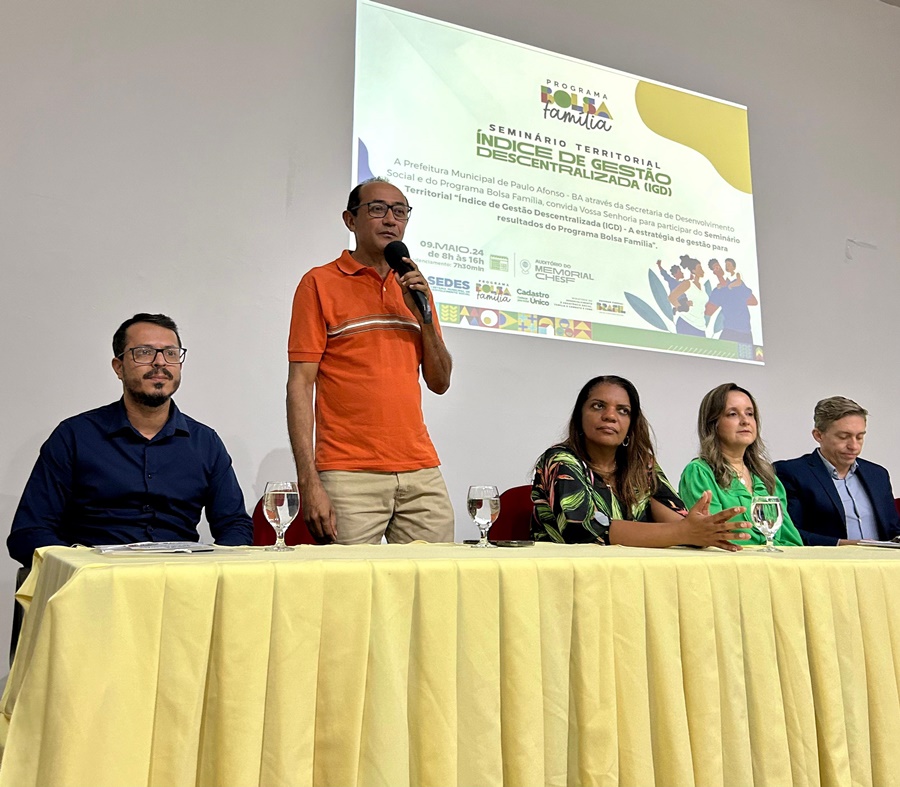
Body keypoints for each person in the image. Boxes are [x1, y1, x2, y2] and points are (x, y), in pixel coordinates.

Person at [8, 314, 252, 567]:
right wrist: (79, 568)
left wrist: (212, 569)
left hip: (180, 579)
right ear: (118, 367)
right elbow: (29, 533)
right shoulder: (74, 436)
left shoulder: (206, 442)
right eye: (144, 352)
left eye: (170, 353)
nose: (160, 362)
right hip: (96, 580)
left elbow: (236, 526)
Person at [287, 177, 454, 544]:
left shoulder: (413, 285)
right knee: (350, 582)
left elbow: (440, 382)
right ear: (350, 220)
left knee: (437, 579)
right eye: (377, 209)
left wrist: (424, 318)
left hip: (421, 470)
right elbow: (300, 384)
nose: (390, 219)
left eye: (400, 211)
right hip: (348, 473)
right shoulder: (319, 283)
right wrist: (308, 481)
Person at [531, 375, 749, 549]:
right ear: (579, 417)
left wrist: (700, 529)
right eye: (598, 406)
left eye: (623, 411)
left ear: (631, 425)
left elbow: (677, 522)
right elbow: (585, 529)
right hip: (567, 576)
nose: (610, 416)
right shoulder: (560, 460)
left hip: (633, 574)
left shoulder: (642, 464)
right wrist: (683, 532)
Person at [679, 383, 803, 547]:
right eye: (732, 414)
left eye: (750, 414)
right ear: (713, 424)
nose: (745, 421)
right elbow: (714, 540)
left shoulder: (766, 476)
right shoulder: (699, 473)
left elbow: (792, 541)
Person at [774, 396, 900, 545]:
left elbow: (893, 528)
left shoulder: (878, 474)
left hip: (883, 559)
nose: (854, 446)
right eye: (843, 437)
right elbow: (789, 533)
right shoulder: (791, 473)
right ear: (818, 435)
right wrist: (846, 545)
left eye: (859, 437)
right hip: (827, 559)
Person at [669, 255, 708, 337]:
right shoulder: (688, 283)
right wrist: (682, 307)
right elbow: (672, 297)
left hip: (700, 325)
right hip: (686, 323)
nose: (702, 271)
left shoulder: (702, 287)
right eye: (700, 268)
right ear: (693, 271)